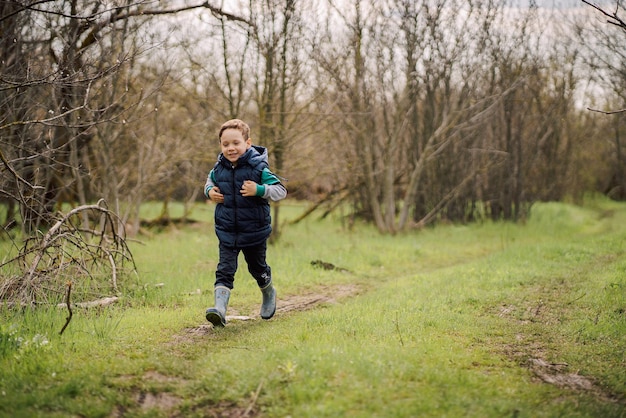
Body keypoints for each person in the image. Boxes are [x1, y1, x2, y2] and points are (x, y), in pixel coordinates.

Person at [204, 119, 287, 327]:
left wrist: (259, 190)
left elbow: (280, 191)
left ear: (247, 143)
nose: (231, 148)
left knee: (257, 268)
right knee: (224, 269)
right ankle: (220, 310)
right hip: (227, 231)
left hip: (254, 231)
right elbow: (210, 181)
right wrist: (209, 192)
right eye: (225, 144)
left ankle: (268, 292)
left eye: (236, 143)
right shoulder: (219, 168)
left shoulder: (258, 167)